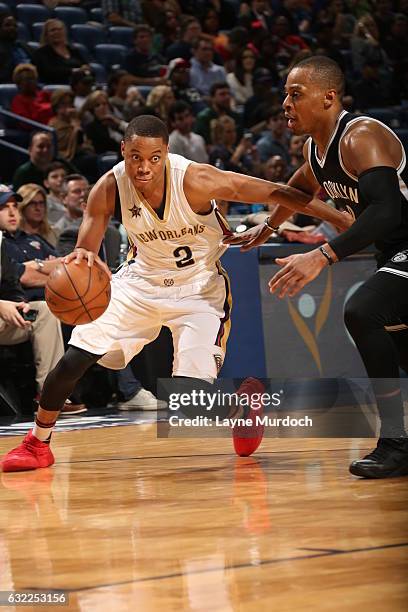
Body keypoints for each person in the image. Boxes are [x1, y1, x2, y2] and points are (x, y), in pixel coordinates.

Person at [0, 114, 351, 472]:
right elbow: (86, 248)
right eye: (135, 156)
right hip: (140, 283)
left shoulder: (196, 179)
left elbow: (278, 191)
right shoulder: (108, 186)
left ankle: (242, 409)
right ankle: (37, 444)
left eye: (154, 157)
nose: (144, 167)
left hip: (198, 289)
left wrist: (340, 220)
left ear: (166, 152)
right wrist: (83, 258)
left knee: (186, 401)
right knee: (75, 358)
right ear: (123, 150)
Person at [225, 56, 408, 479]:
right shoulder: (316, 148)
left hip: (402, 241)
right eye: (285, 94)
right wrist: (268, 228)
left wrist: (322, 254)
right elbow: (299, 190)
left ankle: (396, 442)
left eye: (295, 94)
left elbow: (387, 213)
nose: (286, 104)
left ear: (328, 97)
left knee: (362, 312)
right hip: (394, 253)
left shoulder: (361, 137)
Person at [0, 186, 85, 416]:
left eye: (13, 207)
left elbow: (11, 282)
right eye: (3, 208)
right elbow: (23, 275)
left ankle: (49, 397)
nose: (11, 213)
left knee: (43, 311)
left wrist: (18, 302)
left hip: (5, 318)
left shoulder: (2, 244)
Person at [33, 19, 88, 85]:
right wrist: (73, 71)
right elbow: (48, 72)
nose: (57, 32)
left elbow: (85, 65)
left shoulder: (73, 50)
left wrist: (86, 69)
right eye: (53, 30)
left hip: (79, 85)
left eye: (60, 29)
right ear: (46, 35)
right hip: (55, 86)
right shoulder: (41, 53)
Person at [17, 183, 58, 247]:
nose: (38, 208)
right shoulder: (13, 235)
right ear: (22, 206)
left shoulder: (55, 233)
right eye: (32, 203)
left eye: (41, 203)